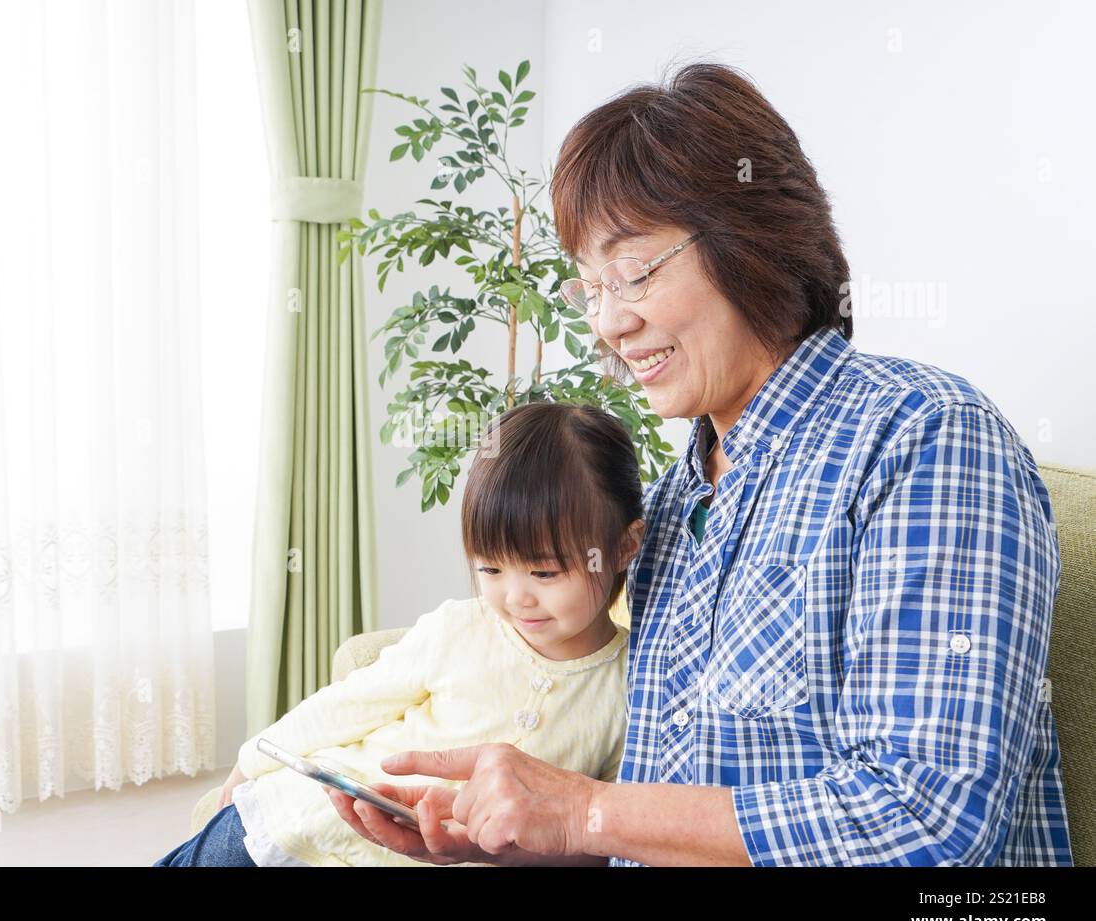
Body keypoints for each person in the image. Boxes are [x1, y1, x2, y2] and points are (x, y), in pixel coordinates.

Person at [327, 62, 1072, 867]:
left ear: (753, 238)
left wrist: (584, 813)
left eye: (635, 271)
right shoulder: (679, 498)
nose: (610, 322)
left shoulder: (925, 440)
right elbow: (660, 823)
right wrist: (514, 837)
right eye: (589, 291)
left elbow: (929, 825)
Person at [153, 401, 645, 866]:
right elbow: (348, 704)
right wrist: (251, 761)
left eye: (544, 574)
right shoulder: (461, 628)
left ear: (624, 547)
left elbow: (605, 831)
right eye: (491, 569)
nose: (517, 598)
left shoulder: (634, 686)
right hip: (301, 822)